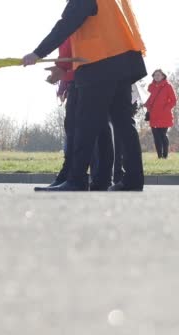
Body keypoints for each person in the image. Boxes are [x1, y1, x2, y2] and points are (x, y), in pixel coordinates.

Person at [23, 0, 147, 191]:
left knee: (85, 123)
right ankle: (133, 180)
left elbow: (67, 22)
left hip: (98, 61)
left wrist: (37, 53)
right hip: (125, 61)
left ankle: (77, 179)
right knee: (123, 123)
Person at [35, 38, 113, 191]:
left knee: (86, 130)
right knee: (81, 129)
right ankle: (84, 177)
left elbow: (74, 49)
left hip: (87, 76)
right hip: (77, 78)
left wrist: (60, 67)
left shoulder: (76, 21)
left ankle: (85, 178)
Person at [145, 69, 177, 159]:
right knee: (156, 137)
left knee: (162, 135)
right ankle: (159, 156)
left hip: (164, 116)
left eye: (158, 75)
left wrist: (166, 109)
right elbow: (148, 99)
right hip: (153, 115)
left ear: (163, 76)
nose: (157, 76)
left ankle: (165, 155)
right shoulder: (150, 87)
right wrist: (146, 105)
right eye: (155, 75)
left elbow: (174, 100)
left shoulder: (168, 86)